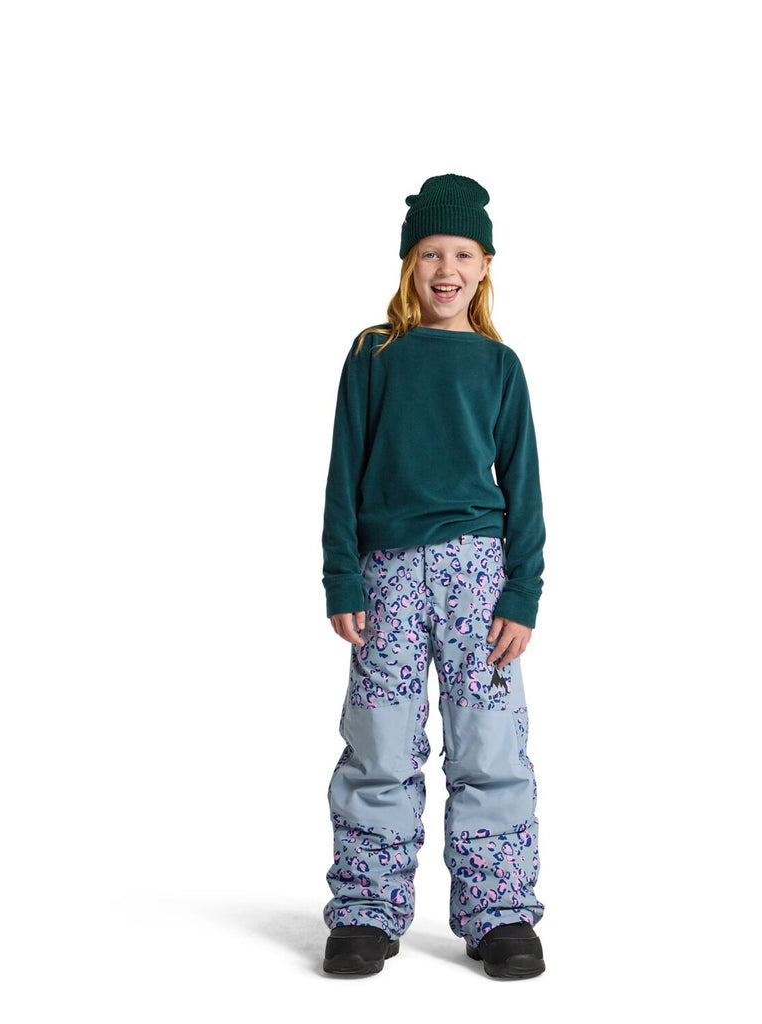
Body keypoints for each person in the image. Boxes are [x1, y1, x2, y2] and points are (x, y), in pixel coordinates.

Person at [320, 174, 547, 979]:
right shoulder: (374, 355)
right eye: (429, 254)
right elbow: (343, 471)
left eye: (461, 254)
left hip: (477, 574)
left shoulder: (499, 366)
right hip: (385, 575)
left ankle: (500, 911)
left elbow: (525, 488)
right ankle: (366, 908)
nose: (445, 270)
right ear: (407, 263)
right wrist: (340, 576)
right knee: (379, 743)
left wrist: (522, 592)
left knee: (489, 742)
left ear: (485, 266)